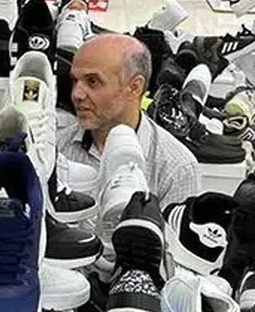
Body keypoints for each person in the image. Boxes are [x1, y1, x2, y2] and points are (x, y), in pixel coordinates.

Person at [58, 33, 201, 206]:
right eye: (74, 81)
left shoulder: (177, 168)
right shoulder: (56, 148)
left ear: (134, 87)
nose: (76, 94)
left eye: (93, 81)